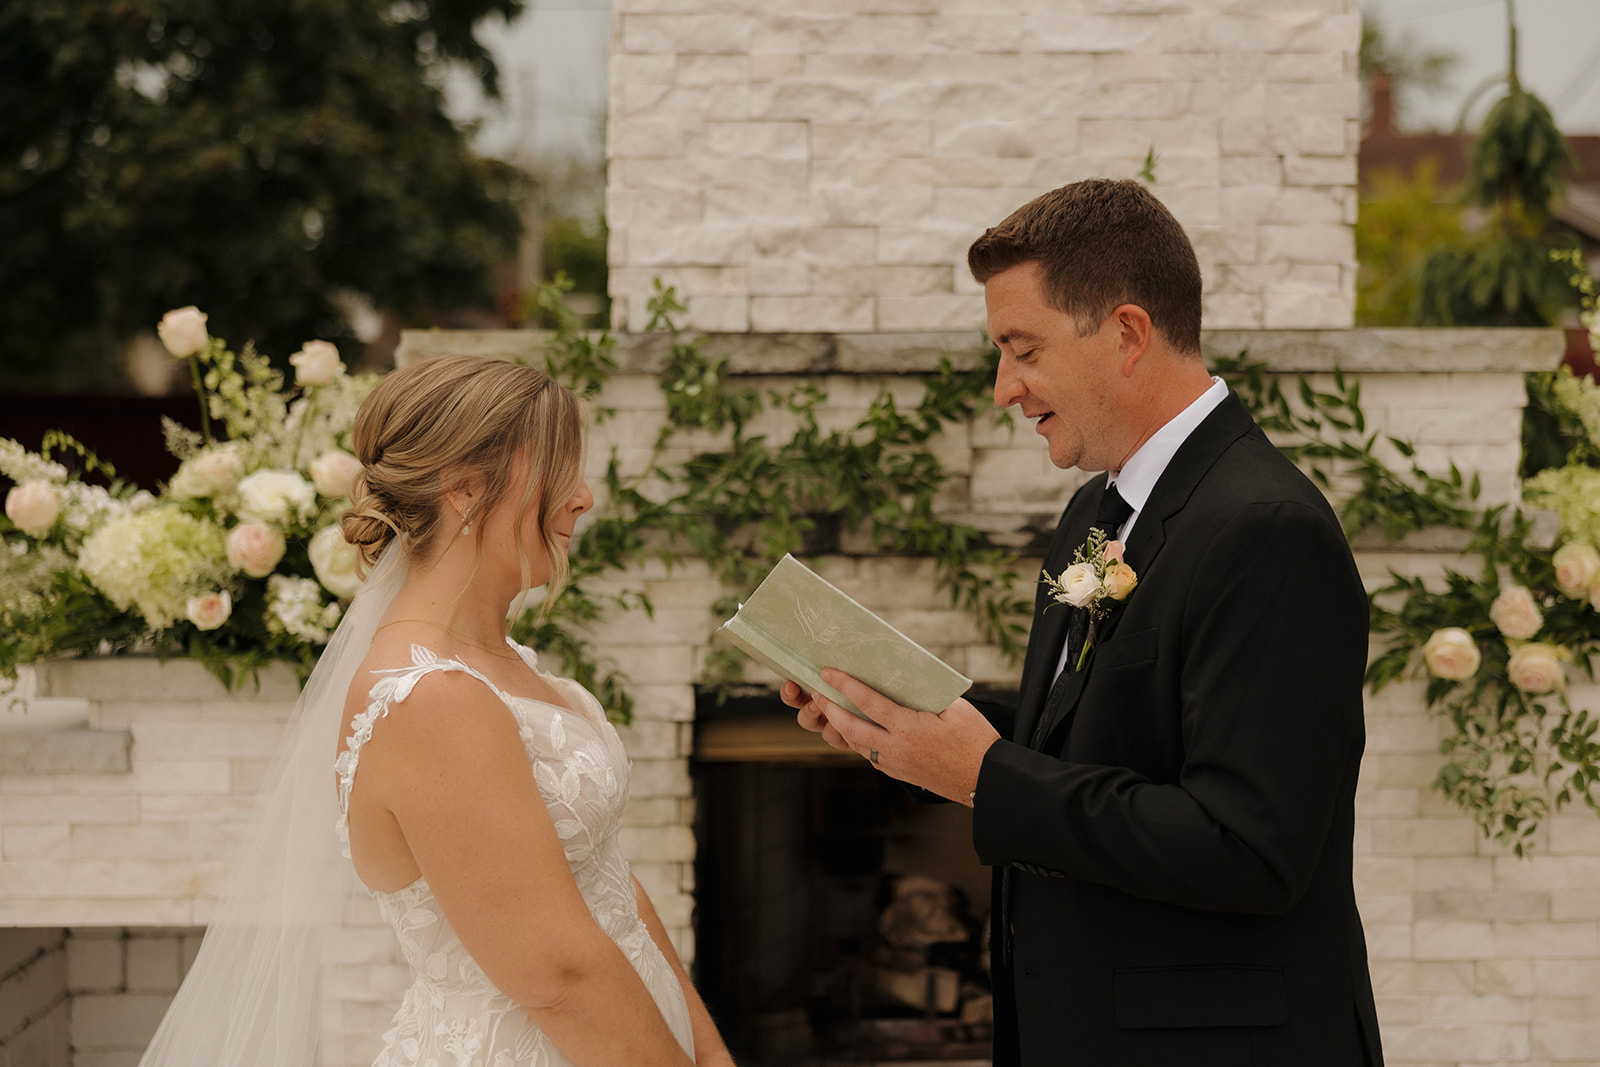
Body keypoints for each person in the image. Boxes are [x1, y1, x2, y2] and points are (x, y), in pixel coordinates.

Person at [784, 179, 1383, 1065]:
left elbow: (1250, 847)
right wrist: (899, 718)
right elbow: (1102, 738)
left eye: (1021, 349)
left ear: (1128, 334)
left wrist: (986, 777)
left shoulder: (1267, 528)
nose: (1003, 388)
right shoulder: (1096, 517)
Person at [139, 356, 731, 1067]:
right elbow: (561, 980)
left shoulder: (508, 661)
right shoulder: (430, 700)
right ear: (465, 490)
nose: (584, 497)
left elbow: (611, 883)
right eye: (559, 470)